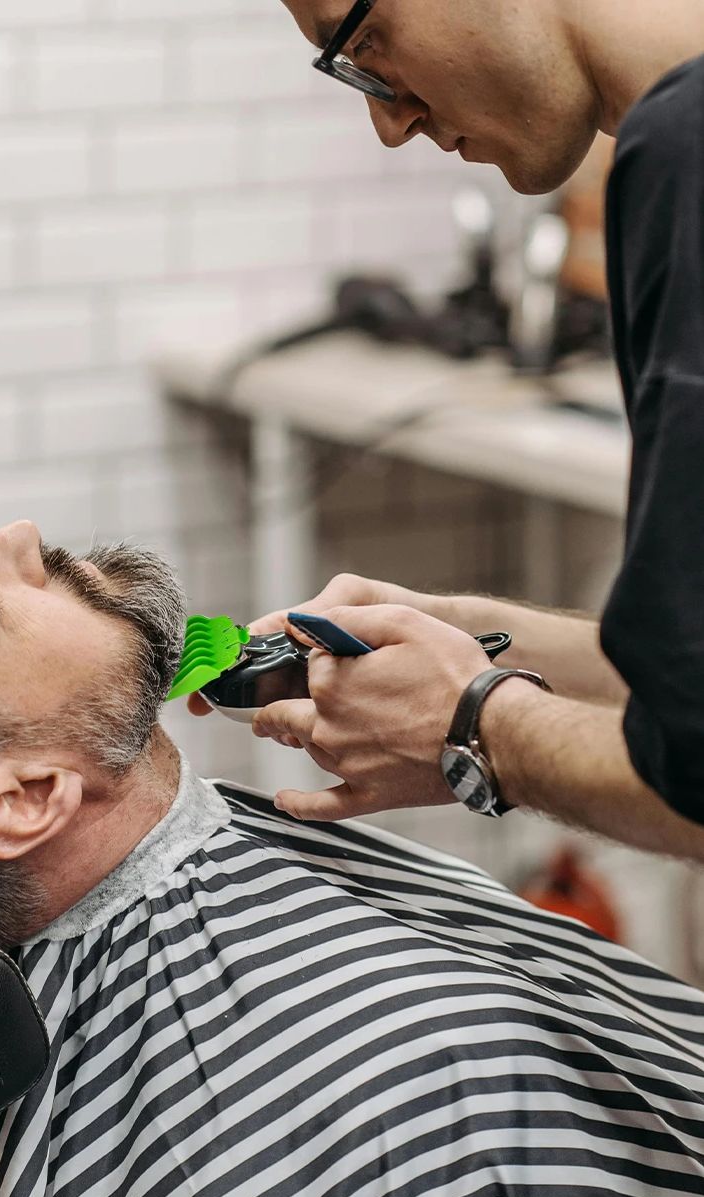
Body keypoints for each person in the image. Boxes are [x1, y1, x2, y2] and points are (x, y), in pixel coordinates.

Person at [0, 522, 704, 1197]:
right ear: (30, 798)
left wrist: (479, 642)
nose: (13, 538)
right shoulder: (421, 1087)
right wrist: (484, 721)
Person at [227, 0, 704, 854]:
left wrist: (470, 721)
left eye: (364, 40)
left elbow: (691, 781)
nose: (390, 125)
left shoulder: (686, 152)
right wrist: (462, 634)